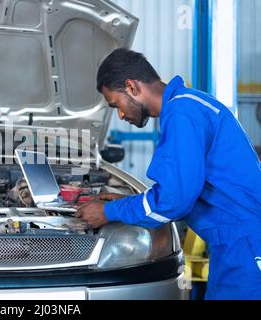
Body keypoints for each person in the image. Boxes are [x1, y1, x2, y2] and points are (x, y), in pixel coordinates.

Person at [76, 48, 261, 300]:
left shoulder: (182, 113)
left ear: (131, 87)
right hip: (237, 243)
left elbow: (173, 201)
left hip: (245, 247)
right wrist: (124, 202)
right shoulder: (188, 105)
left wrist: (108, 212)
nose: (120, 114)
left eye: (116, 105)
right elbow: (181, 191)